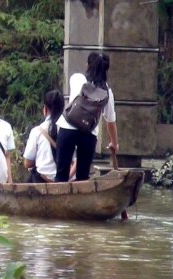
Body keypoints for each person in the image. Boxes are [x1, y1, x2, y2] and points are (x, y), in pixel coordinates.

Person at [55, 52, 118, 182]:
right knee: (82, 177)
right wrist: (114, 143)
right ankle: (80, 201)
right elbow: (110, 121)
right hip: (88, 134)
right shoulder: (107, 92)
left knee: (61, 174)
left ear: (88, 65)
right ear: (106, 69)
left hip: (67, 128)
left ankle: (58, 201)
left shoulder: (77, 78)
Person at [23, 89, 76, 182]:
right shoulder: (71, 129)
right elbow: (77, 160)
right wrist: (66, 178)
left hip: (42, 183)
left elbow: (27, 163)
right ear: (63, 108)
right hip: (67, 183)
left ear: (45, 109)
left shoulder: (37, 131)